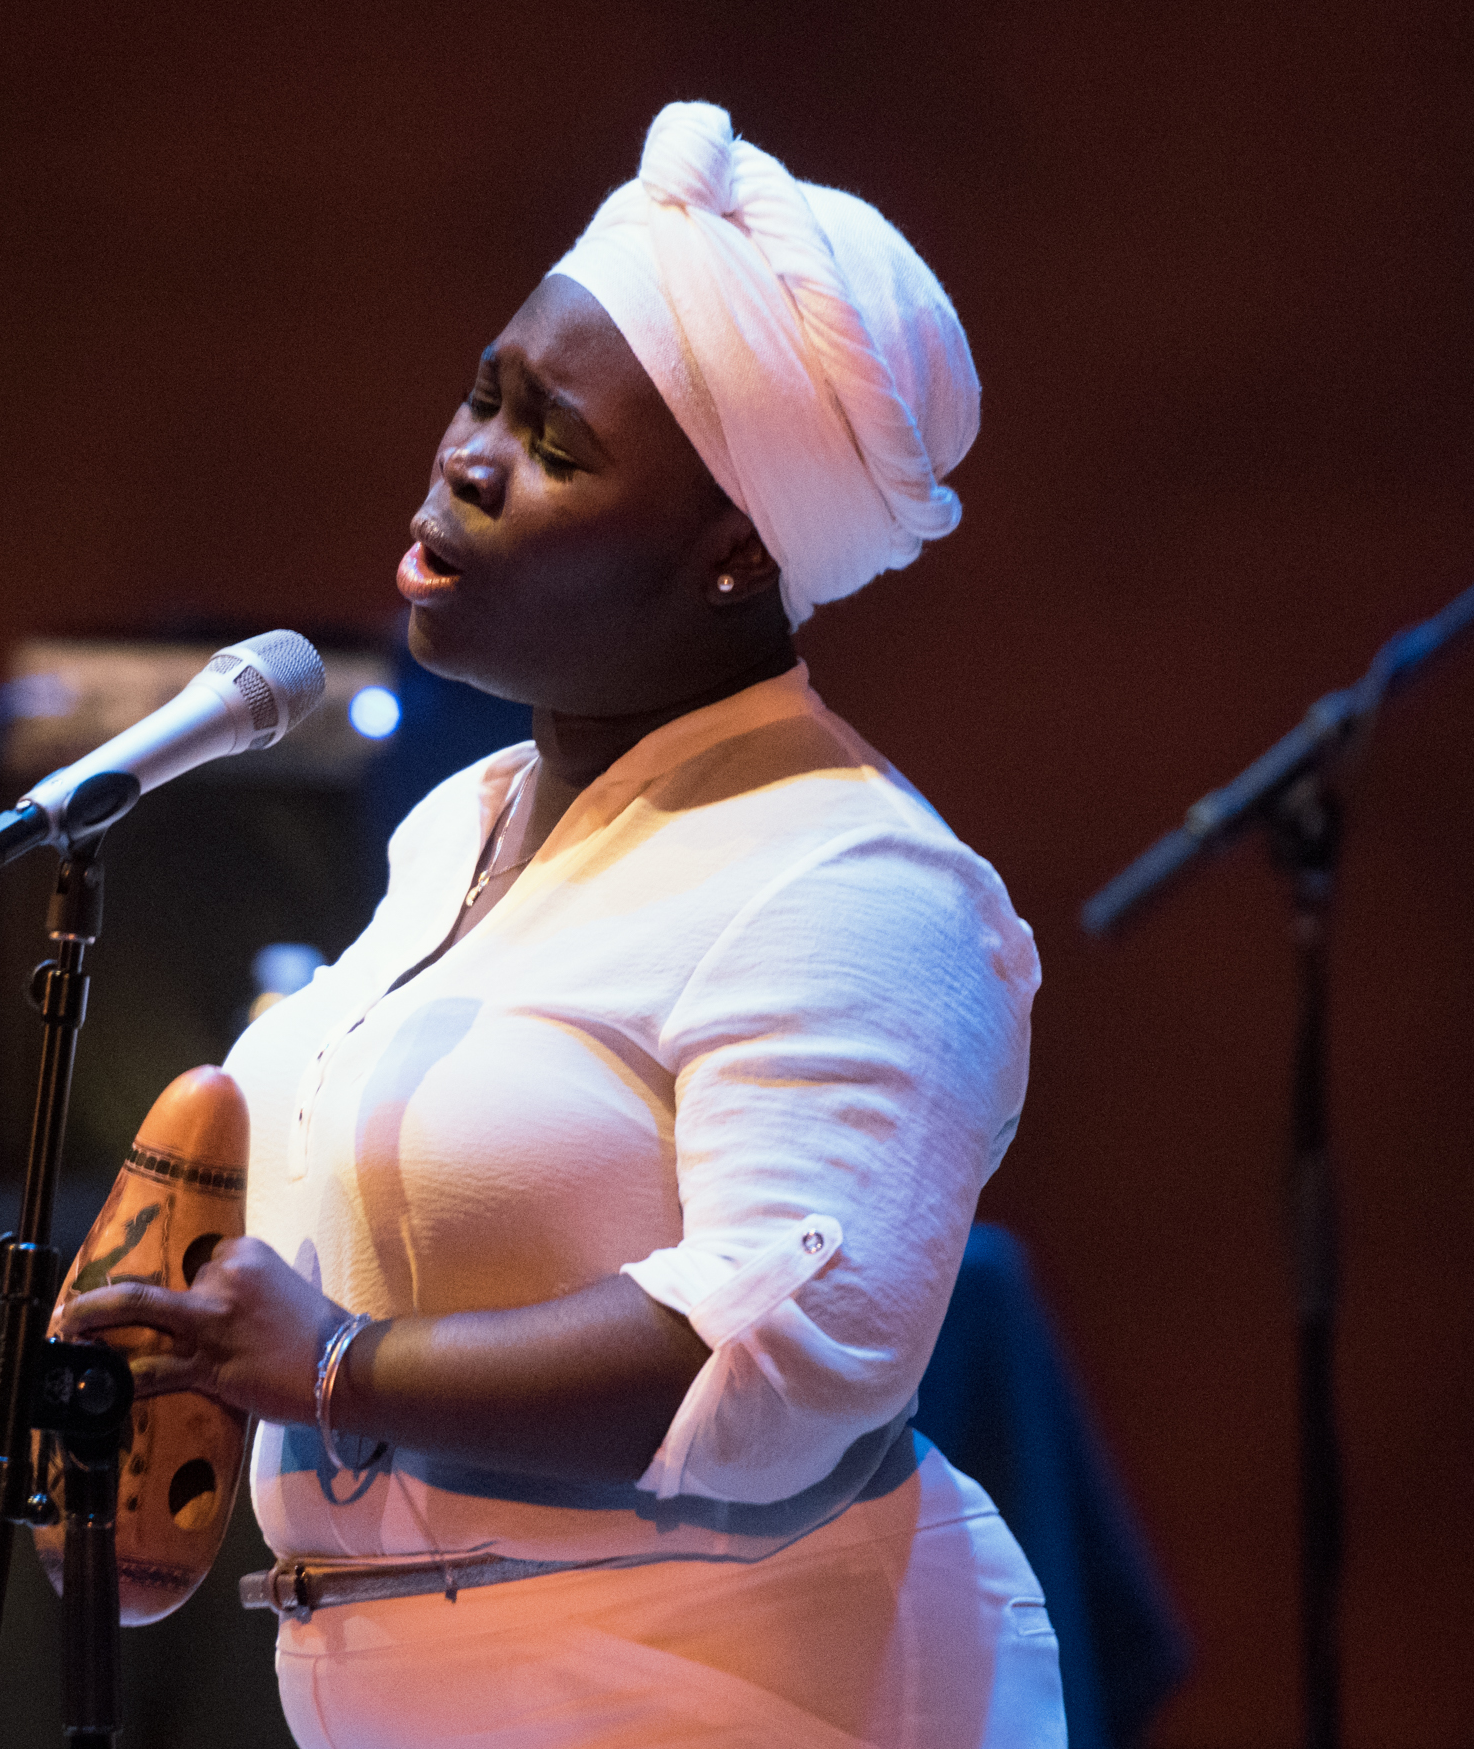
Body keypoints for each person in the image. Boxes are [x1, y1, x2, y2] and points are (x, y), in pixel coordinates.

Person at [64, 101, 1062, 1748]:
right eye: (486, 394)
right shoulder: (463, 828)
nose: (467, 457)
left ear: (736, 551)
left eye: (557, 445)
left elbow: (771, 1355)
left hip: (742, 1696)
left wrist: (339, 1367)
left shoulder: (855, 882)